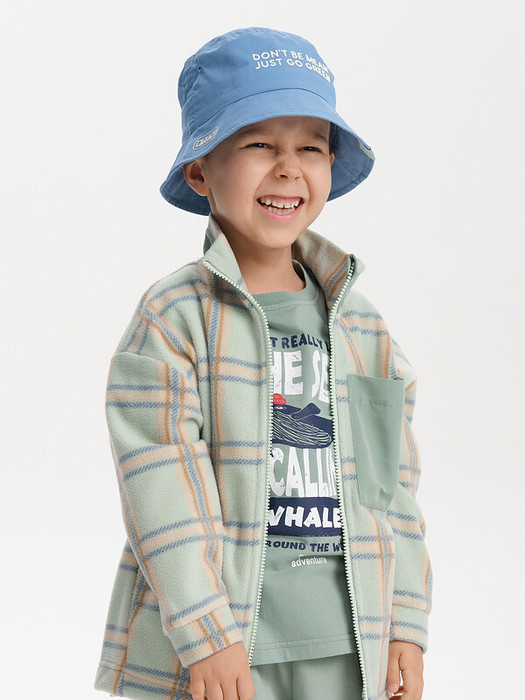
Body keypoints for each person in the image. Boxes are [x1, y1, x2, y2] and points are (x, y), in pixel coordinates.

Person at [94, 27, 432, 700]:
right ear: (200, 171)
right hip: (220, 654)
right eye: (258, 144)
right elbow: (160, 488)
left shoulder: (362, 327)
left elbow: (389, 489)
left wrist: (405, 624)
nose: (287, 168)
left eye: (310, 146)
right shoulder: (173, 318)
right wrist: (207, 634)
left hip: (348, 643)